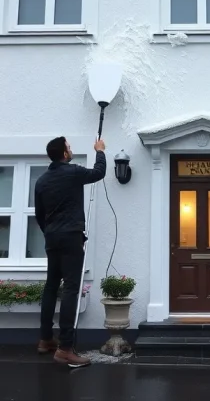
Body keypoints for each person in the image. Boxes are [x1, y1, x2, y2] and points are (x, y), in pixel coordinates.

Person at [35, 136, 106, 367]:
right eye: (69, 147)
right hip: (70, 237)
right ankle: (65, 348)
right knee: (71, 288)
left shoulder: (42, 181)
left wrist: (50, 232)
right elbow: (98, 173)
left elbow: (39, 215)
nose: (71, 149)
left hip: (52, 238)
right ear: (64, 154)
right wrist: (100, 151)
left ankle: (46, 339)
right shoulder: (73, 172)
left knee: (51, 286)